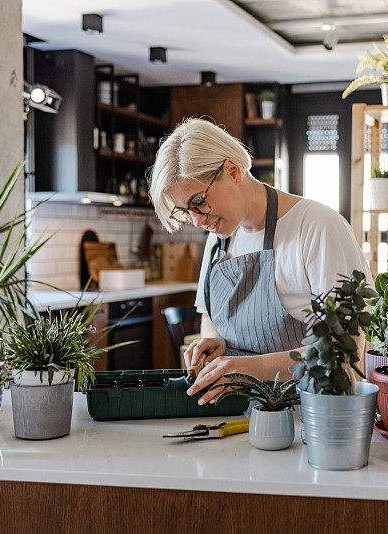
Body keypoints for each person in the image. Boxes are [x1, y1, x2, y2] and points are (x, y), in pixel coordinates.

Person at [148, 118, 371, 404]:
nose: (197, 220)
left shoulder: (316, 226)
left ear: (232, 171)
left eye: (199, 202)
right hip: (235, 416)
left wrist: (254, 369)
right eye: (184, 212)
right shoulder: (219, 238)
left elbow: (346, 345)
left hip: (306, 416)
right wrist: (214, 341)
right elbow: (209, 317)